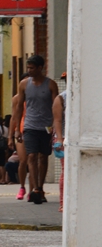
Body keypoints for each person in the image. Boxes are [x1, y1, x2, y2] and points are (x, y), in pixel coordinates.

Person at [11, 55, 59, 204]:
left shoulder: (51, 85)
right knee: (31, 156)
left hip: (46, 127)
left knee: (43, 157)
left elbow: (56, 107)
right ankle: (35, 189)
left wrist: (56, 128)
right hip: (30, 126)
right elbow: (19, 107)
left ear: (40, 68)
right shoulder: (24, 84)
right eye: (28, 68)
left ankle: (41, 186)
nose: (29, 70)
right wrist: (17, 129)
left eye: (32, 68)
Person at [9, 74, 31, 199]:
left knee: (33, 160)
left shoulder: (36, 97)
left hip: (34, 129)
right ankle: (22, 186)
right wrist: (10, 136)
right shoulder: (17, 99)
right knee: (23, 160)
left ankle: (34, 189)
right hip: (21, 131)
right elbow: (14, 117)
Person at [52, 73, 67, 212]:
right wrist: (60, 139)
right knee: (65, 171)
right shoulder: (61, 98)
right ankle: (63, 202)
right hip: (64, 139)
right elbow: (57, 120)